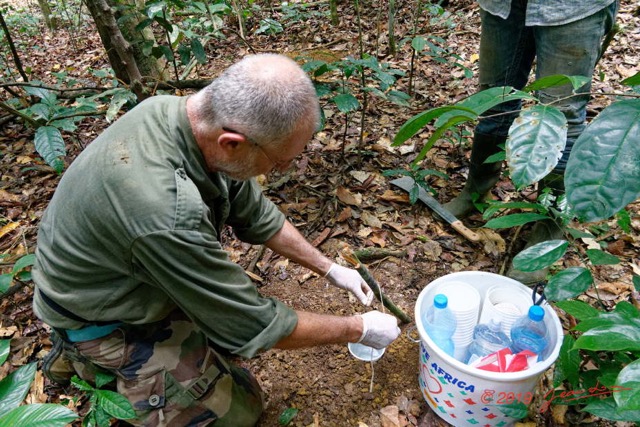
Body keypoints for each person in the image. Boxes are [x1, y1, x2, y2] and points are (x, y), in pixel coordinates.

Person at [33, 53, 401, 426]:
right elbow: (252, 325)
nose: (283, 170)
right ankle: (83, 355)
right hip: (102, 312)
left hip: (133, 269)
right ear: (232, 142)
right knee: (243, 412)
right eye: (280, 162)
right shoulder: (163, 210)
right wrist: (360, 328)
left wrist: (330, 268)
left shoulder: (179, 117)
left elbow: (255, 213)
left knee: (225, 364)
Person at [443, 0, 618, 283]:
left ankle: (549, 227)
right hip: (503, 5)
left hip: (574, 7)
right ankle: (476, 190)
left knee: (563, 117)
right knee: (494, 101)